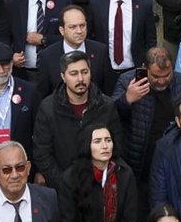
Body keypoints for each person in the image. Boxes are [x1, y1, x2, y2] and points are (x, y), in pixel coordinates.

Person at [111, 46, 181, 197]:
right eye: (156, 76)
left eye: (167, 75)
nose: (162, 81)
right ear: (144, 68)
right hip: (139, 163)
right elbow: (111, 116)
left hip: (174, 162)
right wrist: (127, 99)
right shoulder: (127, 81)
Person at [33, 50, 124, 184]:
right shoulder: (48, 108)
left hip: (99, 184)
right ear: (63, 76)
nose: (80, 79)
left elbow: (116, 147)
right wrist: (64, 183)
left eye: (84, 72)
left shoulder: (106, 106)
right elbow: (42, 153)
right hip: (62, 185)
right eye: (74, 74)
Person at [56, 119, 140, 222]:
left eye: (108, 140)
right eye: (97, 141)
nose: (105, 146)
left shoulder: (124, 173)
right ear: (86, 145)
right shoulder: (70, 178)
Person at [92, 0, 157, 87]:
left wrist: (145, 66)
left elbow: (150, 39)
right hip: (104, 70)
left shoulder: (144, 4)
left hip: (134, 69)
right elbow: (91, 34)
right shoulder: (97, 1)